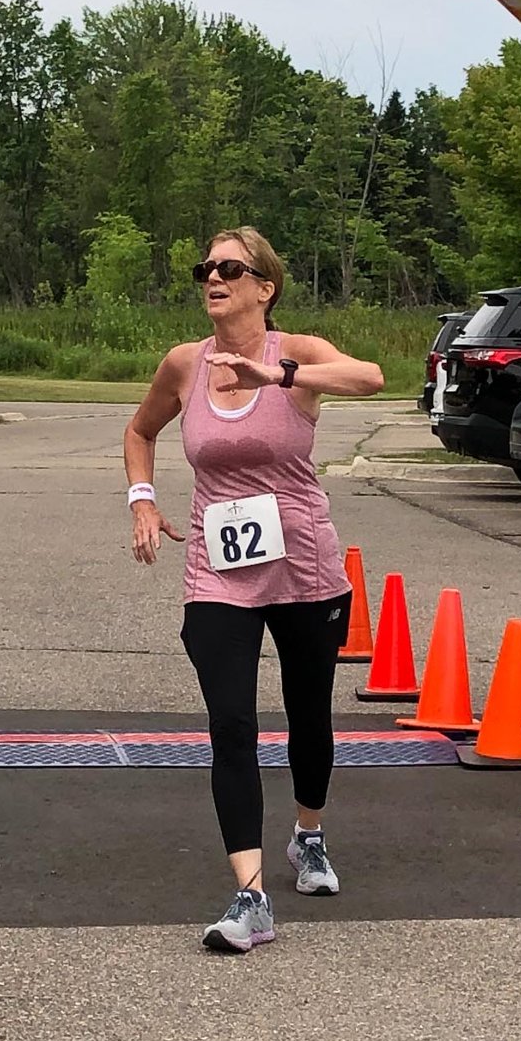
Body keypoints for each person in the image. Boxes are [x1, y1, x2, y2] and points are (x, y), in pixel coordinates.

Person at [123, 228, 383, 951]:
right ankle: (252, 896)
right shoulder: (184, 363)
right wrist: (142, 499)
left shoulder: (295, 351)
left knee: (309, 716)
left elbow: (370, 378)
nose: (213, 277)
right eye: (205, 267)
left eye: (230, 268)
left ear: (264, 287)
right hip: (218, 569)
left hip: (303, 565)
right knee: (231, 723)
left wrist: (282, 375)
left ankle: (309, 834)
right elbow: (139, 431)